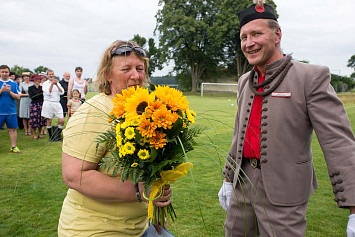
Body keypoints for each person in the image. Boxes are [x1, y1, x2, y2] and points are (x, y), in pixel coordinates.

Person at [218, 1, 355, 236]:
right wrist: (228, 178)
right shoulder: (244, 81)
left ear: (277, 34)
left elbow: (338, 142)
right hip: (243, 185)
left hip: (286, 188)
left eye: (257, 34)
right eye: (244, 37)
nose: (249, 43)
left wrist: (354, 207)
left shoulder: (309, 77)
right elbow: (238, 135)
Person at [58, 40, 172, 237]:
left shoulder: (142, 112)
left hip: (139, 227)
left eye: (140, 68)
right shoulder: (95, 111)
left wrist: (155, 200)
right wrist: (141, 192)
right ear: (108, 74)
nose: (136, 76)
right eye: (126, 68)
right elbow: (74, 174)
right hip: (96, 230)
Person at [0, 65, 22, 153]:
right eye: (2, 72)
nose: (4, 73)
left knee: (12, 129)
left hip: (11, 111)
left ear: (9, 73)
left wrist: (9, 91)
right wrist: (1, 90)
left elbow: (18, 97)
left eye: (6, 72)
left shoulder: (14, 83)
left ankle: (13, 147)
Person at [41, 69, 65, 141]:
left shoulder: (57, 83)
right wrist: (52, 84)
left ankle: (58, 136)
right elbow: (48, 93)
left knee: (61, 120)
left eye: (52, 74)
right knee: (49, 120)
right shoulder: (45, 84)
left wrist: (56, 84)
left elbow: (62, 92)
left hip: (57, 103)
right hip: (48, 103)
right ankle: (51, 137)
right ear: (47, 75)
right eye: (50, 74)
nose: (51, 76)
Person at [28, 74, 46, 139]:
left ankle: (40, 133)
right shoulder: (30, 88)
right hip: (34, 104)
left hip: (41, 104)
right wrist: (39, 95)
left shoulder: (42, 88)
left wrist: (39, 95)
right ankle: (34, 134)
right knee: (34, 120)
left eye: (38, 79)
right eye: (36, 79)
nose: (37, 81)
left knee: (41, 119)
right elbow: (32, 96)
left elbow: (43, 96)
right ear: (33, 80)